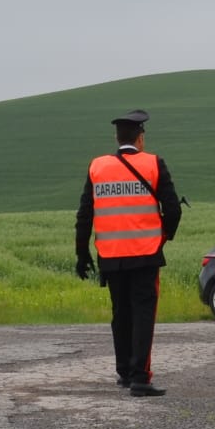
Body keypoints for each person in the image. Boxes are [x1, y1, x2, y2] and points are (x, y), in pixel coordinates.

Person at [75, 109, 183, 397]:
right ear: (140, 138)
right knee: (143, 314)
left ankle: (123, 372)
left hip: (110, 256)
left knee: (120, 314)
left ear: (116, 137)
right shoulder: (153, 164)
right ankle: (140, 378)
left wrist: (81, 253)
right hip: (145, 254)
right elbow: (172, 210)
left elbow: (85, 214)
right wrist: (164, 236)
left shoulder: (97, 167)